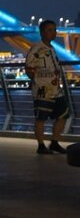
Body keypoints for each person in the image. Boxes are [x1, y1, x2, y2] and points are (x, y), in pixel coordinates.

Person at [25, 20, 68, 155]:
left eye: (54, 30)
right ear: (42, 32)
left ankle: (54, 142)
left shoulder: (52, 49)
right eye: (50, 30)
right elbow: (28, 69)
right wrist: (39, 81)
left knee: (64, 114)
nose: (53, 33)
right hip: (42, 90)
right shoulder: (36, 49)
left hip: (56, 90)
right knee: (41, 118)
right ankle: (41, 145)